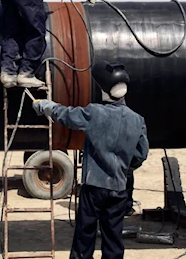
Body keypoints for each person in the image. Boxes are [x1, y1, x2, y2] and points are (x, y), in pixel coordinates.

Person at [32, 61, 149, 259]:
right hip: (119, 189)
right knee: (113, 238)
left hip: (94, 187)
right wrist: (124, 169)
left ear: (104, 91)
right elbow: (141, 154)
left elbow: (66, 115)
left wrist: (46, 106)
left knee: (84, 237)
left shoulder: (95, 112)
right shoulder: (137, 119)